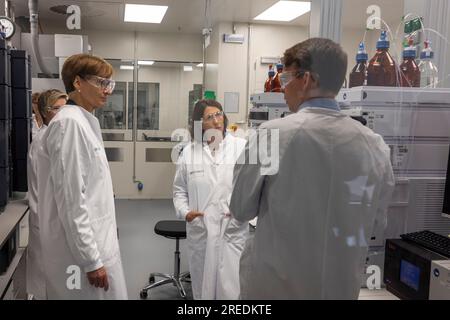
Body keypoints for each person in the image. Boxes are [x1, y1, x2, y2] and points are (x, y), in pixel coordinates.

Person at [230, 38, 395, 299]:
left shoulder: (272, 135)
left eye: (285, 80)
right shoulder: (374, 145)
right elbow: (376, 222)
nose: (283, 90)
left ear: (306, 80)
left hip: (275, 287)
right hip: (339, 287)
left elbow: (240, 209)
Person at [37, 54, 128, 299]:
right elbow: (71, 200)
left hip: (95, 241)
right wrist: (90, 260)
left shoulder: (82, 121)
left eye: (110, 84)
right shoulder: (69, 125)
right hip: (80, 254)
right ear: (77, 83)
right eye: (101, 82)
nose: (107, 90)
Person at [173, 99, 248, 299]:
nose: (217, 121)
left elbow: (253, 187)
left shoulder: (241, 147)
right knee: (202, 289)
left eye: (219, 114)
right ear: (199, 123)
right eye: (209, 117)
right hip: (201, 230)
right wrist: (185, 212)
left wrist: (243, 210)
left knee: (231, 290)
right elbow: (179, 190)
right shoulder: (189, 152)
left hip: (231, 229)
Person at [26, 89, 68, 299]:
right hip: (46, 220)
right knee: (47, 280)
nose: (63, 115)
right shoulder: (43, 142)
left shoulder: (52, 137)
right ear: (45, 111)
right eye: (57, 109)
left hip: (49, 219)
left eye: (65, 109)